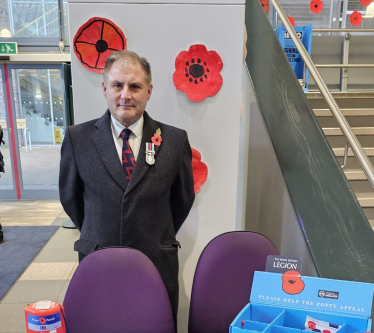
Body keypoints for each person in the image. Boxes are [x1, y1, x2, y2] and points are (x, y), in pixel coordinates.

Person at [59, 50, 195, 327]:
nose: (126, 95)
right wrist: (96, 228)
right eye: (118, 85)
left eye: (135, 86)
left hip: (156, 258)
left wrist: (156, 230)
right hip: (99, 255)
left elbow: (182, 199)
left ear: (149, 91)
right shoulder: (78, 138)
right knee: (100, 324)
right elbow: (70, 198)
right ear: (105, 89)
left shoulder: (174, 140)